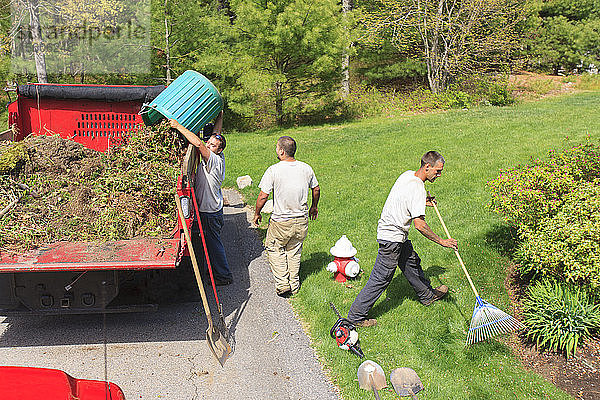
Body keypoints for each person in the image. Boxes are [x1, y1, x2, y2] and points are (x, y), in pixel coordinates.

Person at [347, 151, 458, 327]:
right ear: (427, 167)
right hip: (392, 238)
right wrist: (442, 241)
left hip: (391, 232)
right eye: (437, 171)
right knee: (381, 278)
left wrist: (422, 202)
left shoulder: (407, 175)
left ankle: (427, 295)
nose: (439, 174)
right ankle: (355, 317)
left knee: (410, 262)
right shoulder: (418, 188)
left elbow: (404, 198)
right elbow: (420, 225)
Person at [169, 111, 233, 285]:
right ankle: (216, 272)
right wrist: (220, 114)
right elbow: (215, 135)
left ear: (218, 150)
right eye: (209, 143)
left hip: (209, 211)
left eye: (212, 145)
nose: (208, 144)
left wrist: (177, 126)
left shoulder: (214, 160)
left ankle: (223, 276)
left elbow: (197, 143)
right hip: (212, 208)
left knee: (213, 244)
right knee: (212, 242)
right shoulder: (217, 153)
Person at [253, 136, 320, 296]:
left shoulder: (274, 170)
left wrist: (257, 213)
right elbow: (316, 188)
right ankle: (294, 285)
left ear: (281, 151)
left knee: (275, 248)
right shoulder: (306, 168)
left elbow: (263, 196)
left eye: (277, 147)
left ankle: (283, 284)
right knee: (294, 251)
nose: (276, 150)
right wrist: (314, 206)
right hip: (301, 220)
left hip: (281, 221)